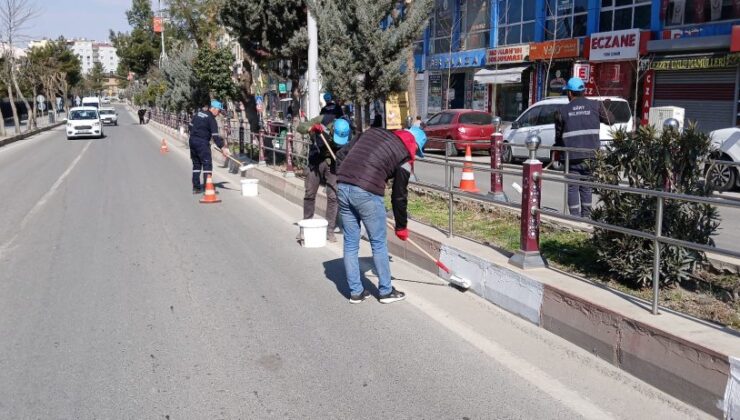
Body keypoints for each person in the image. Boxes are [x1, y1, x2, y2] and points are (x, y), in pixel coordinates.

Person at [335, 126, 426, 304]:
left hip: (343, 185)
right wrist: (401, 227)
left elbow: (341, 154)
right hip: (367, 192)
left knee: (351, 241)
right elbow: (399, 196)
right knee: (378, 243)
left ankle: (356, 292)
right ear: (414, 145)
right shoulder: (405, 158)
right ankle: (386, 290)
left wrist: (345, 178)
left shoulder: (372, 132)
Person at [554, 77, 613, 218]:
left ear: (569, 93)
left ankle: (574, 218)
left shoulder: (562, 111)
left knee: (573, 187)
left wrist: (558, 153)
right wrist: (604, 107)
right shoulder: (595, 106)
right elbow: (611, 120)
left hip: (571, 157)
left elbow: (558, 137)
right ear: (583, 91)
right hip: (591, 155)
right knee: (587, 187)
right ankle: (586, 216)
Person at [296, 116, 351, 242]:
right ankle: (305, 227)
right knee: (310, 193)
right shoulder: (323, 120)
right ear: (333, 130)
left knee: (333, 196)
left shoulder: (348, 131)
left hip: (333, 164)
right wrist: (311, 128)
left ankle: (329, 230)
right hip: (316, 162)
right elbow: (300, 127)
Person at [188, 100, 230, 194]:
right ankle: (208, 187)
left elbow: (190, 126)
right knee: (207, 165)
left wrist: (196, 135)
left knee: (196, 165)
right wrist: (223, 148)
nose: (218, 113)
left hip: (192, 141)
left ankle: (196, 188)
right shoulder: (211, 119)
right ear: (214, 109)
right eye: (219, 111)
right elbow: (215, 136)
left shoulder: (198, 114)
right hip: (202, 143)